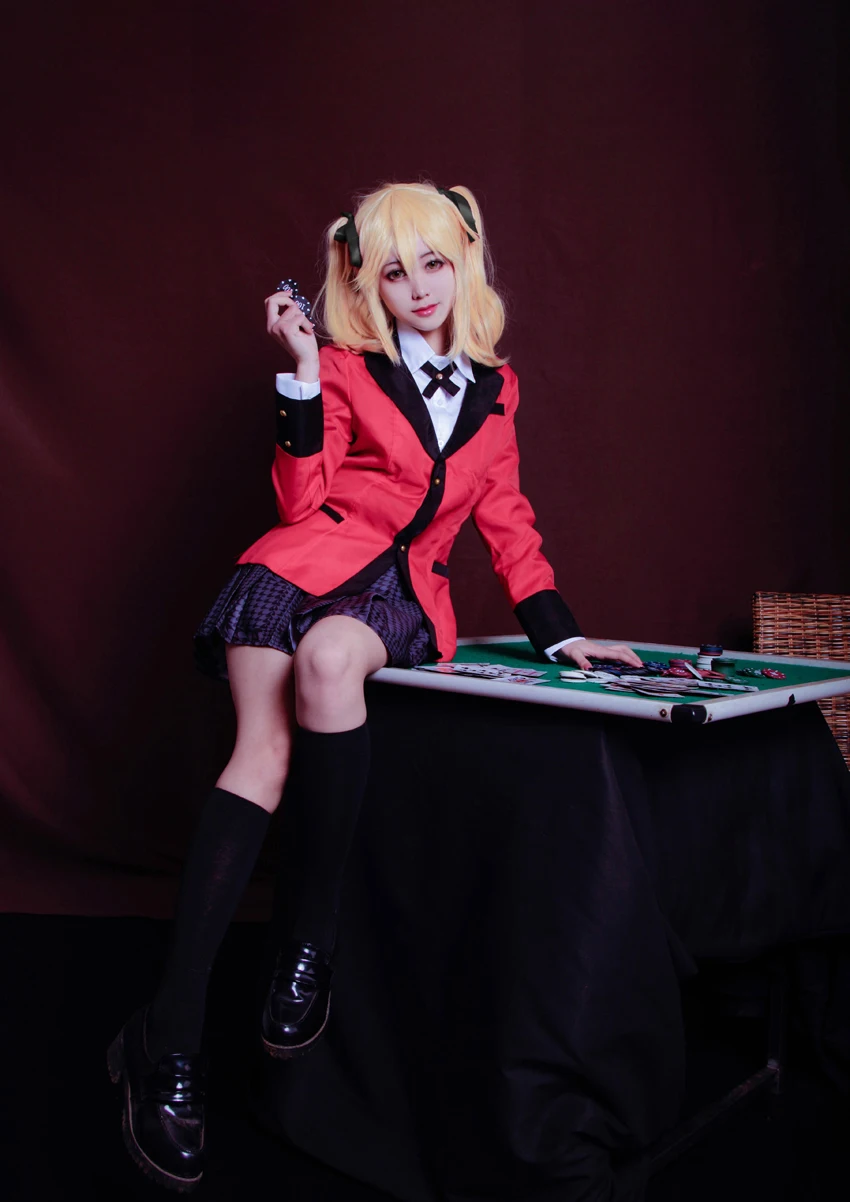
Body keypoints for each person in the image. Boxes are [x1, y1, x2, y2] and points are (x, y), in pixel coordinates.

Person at [106, 181, 641, 1192]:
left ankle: (308, 935)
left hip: (396, 597)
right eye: (394, 272)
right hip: (293, 570)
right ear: (368, 285)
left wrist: (560, 632)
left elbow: (507, 517)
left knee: (331, 659)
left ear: (465, 261)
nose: (420, 287)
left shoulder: (498, 390)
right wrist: (305, 373)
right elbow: (301, 499)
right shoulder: (347, 367)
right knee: (259, 758)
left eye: (434, 262)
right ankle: (165, 1039)